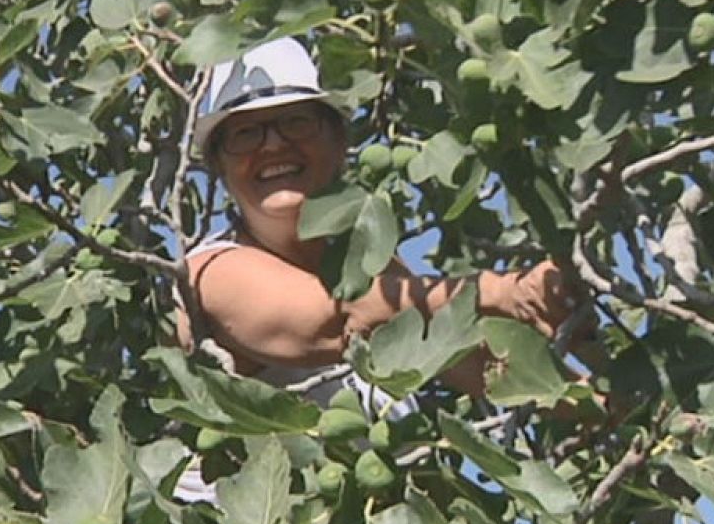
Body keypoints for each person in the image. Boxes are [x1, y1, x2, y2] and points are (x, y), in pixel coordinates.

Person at [176, 37, 579, 405]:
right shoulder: (207, 272)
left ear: (340, 141)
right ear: (218, 165)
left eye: (296, 122)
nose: (273, 144)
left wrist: (592, 399)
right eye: (246, 133)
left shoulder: (370, 264)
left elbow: (479, 366)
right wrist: (505, 291)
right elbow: (341, 318)